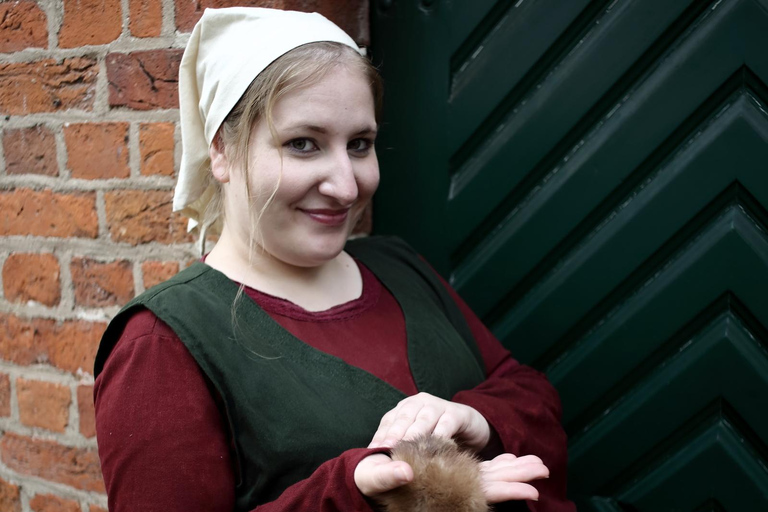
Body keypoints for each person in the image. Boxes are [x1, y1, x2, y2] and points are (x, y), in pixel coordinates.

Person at [93, 7, 576, 512]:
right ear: (221, 151)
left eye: (360, 144)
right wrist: (353, 494)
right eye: (303, 144)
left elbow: (531, 395)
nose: (347, 186)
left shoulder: (396, 264)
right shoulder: (162, 346)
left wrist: (476, 421)